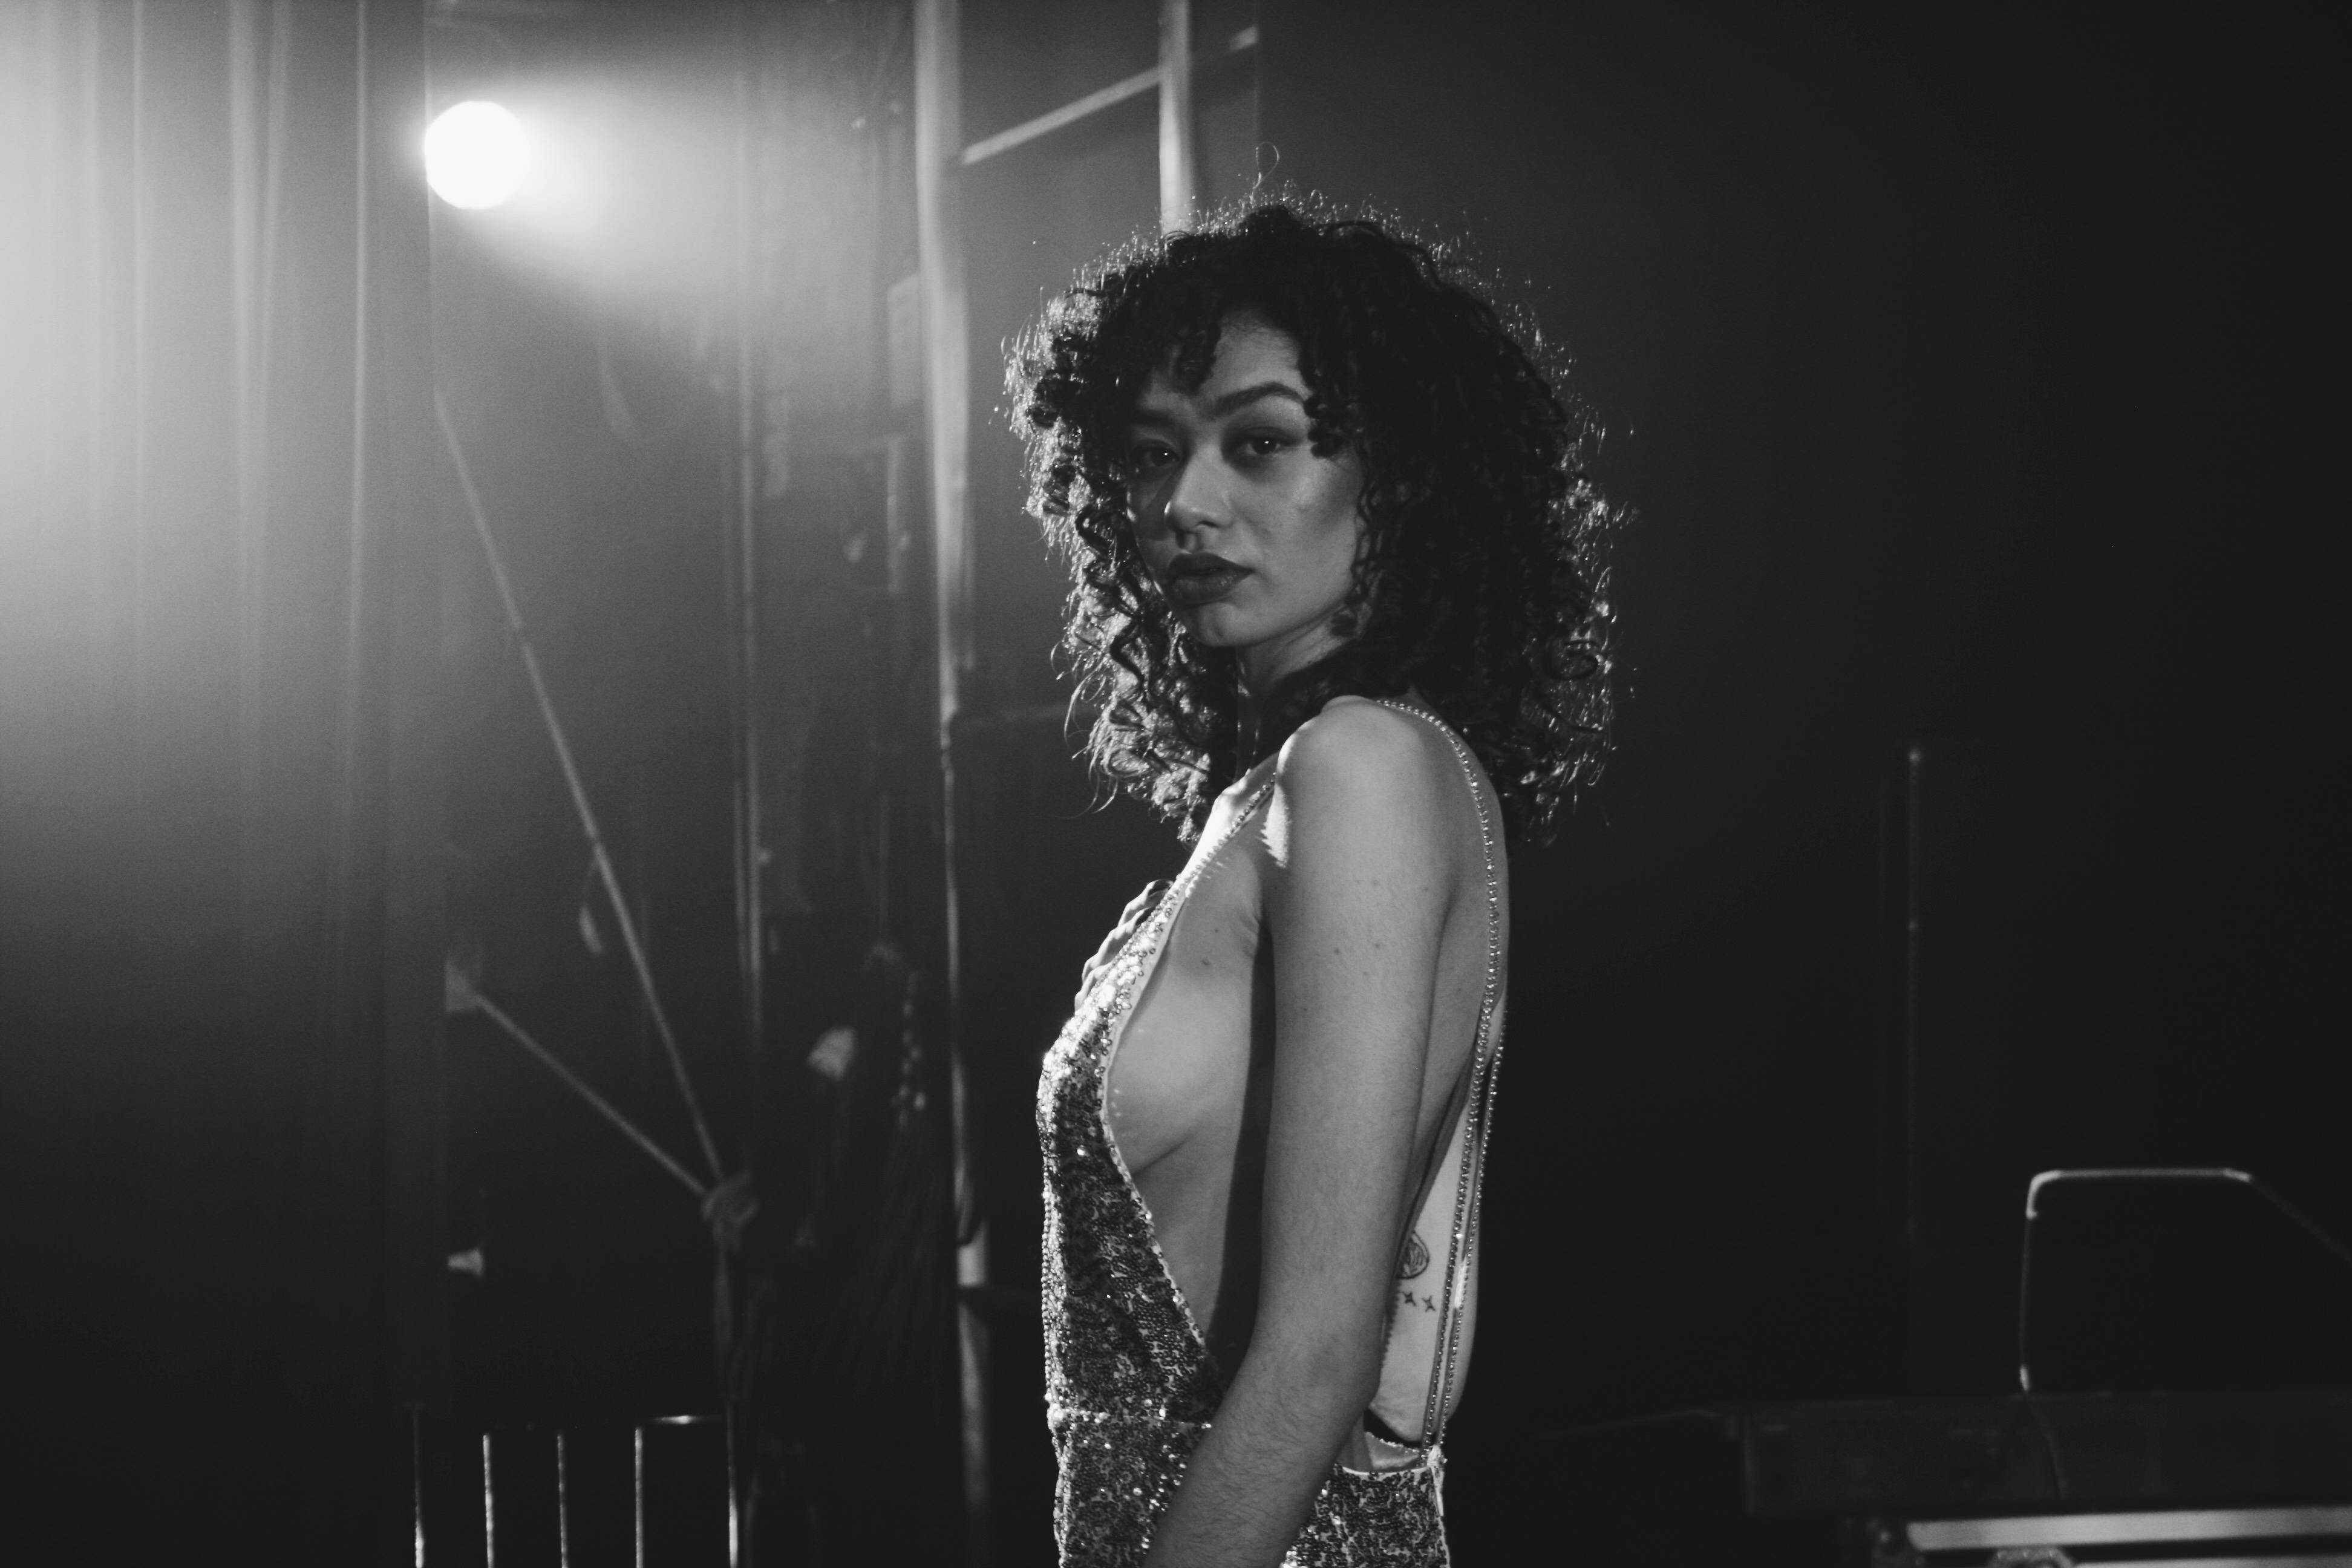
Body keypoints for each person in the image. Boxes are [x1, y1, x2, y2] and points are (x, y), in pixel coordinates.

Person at [1008, 203, 1614, 1567]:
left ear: (1400, 476)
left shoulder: (1363, 770)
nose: (1184, 504)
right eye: (1154, 454)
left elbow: (1325, 1347)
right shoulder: (1290, 786)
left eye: (1260, 441)